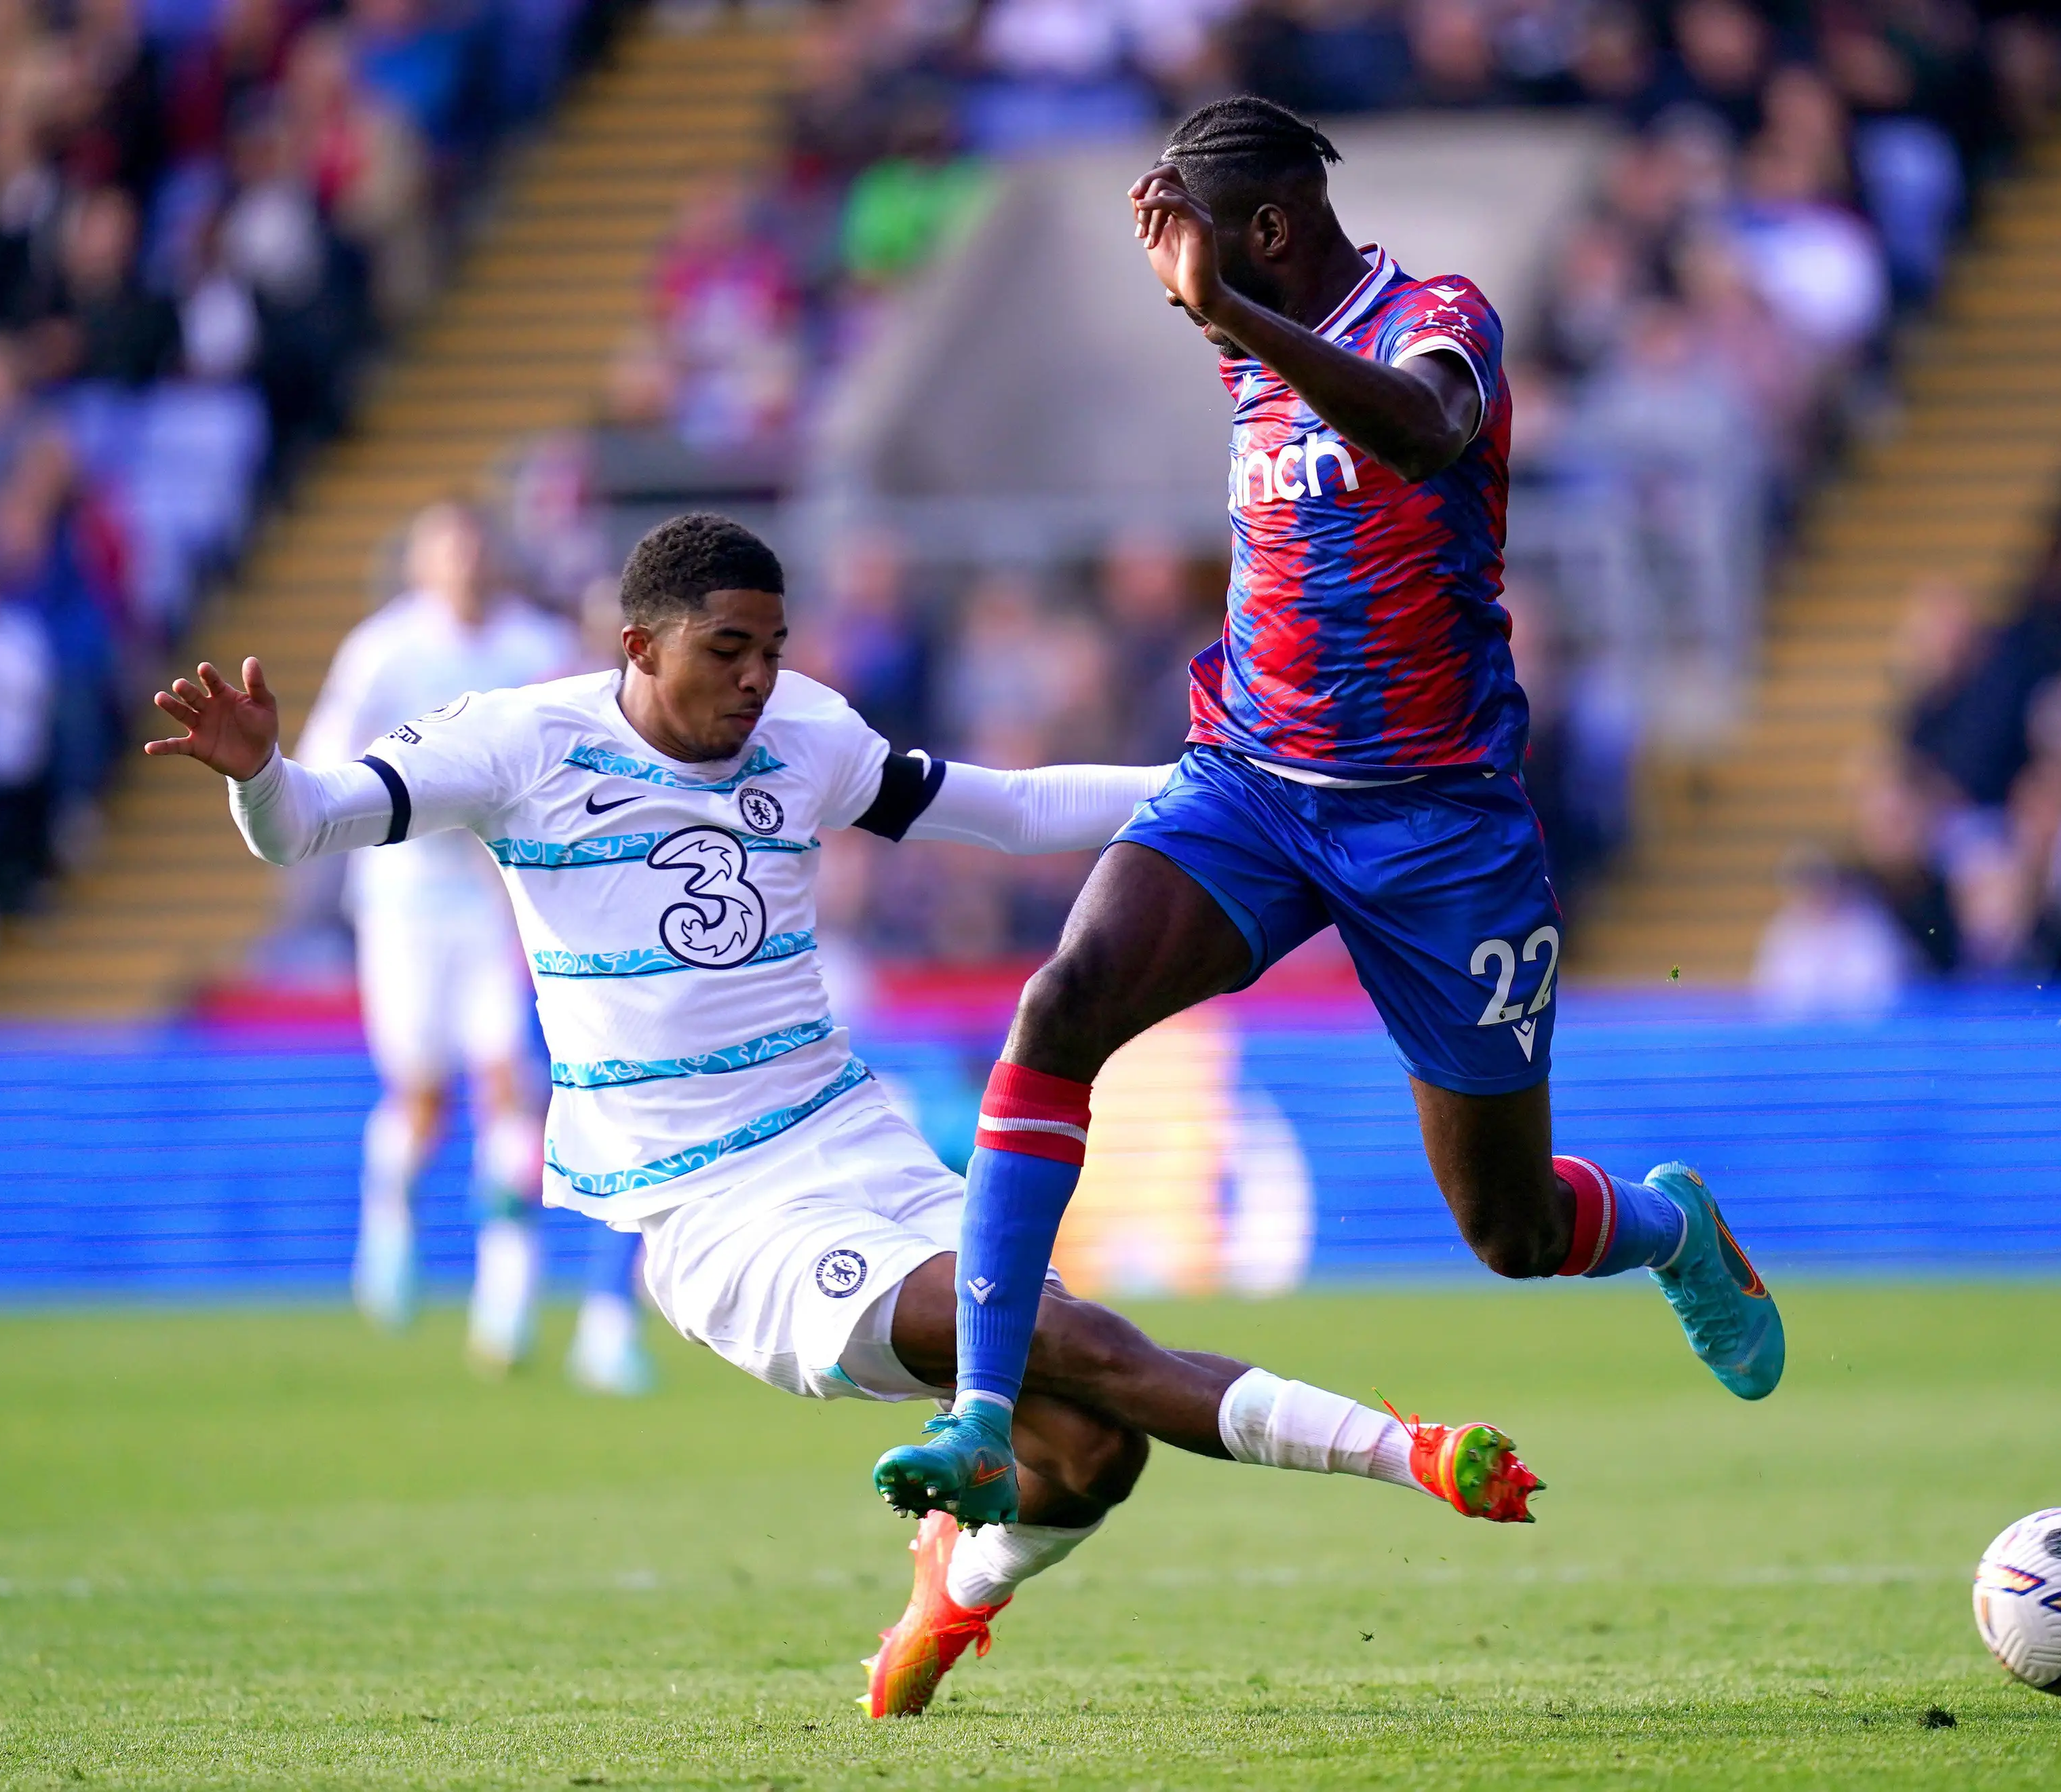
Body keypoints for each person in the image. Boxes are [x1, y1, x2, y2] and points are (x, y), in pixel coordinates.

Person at [146, 514, 1549, 1720]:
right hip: (712, 1211)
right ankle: (1410, 1450)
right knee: (1064, 1340)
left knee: (1088, 1449)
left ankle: (951, 1593)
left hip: (856, 1139)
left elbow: (996, 809)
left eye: (772, 648)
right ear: (639, 648)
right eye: (726, 653)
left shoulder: (807, 730)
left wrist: (1245, 795)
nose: (760, 681)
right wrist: (261, 775)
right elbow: (316, 821)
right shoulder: (520, 742)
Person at [873, 98, 1787, 1528]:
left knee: (1511, 1227)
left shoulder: (1436, 315)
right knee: (1060, 1008)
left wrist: (1231, 310)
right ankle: (988, 1412)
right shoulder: (1243, 338)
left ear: (1276, 232)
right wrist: (1219, 302)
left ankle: (1674, 1229)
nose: (1186, 284)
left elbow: (1425, 433)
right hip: (1251, 785)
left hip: (1439, 830)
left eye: (1210, 244)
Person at [296, 499, 580, 1376]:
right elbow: (323, 761)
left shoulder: (535, 650)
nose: (462, 566)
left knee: (509, 1088)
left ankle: (508, 1304)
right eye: (445, 552)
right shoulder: (384, 651)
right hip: (401, 899)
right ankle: (389, 1210)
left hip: (499, 905)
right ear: (421, 566)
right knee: (422, 1098)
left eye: (473, 549)